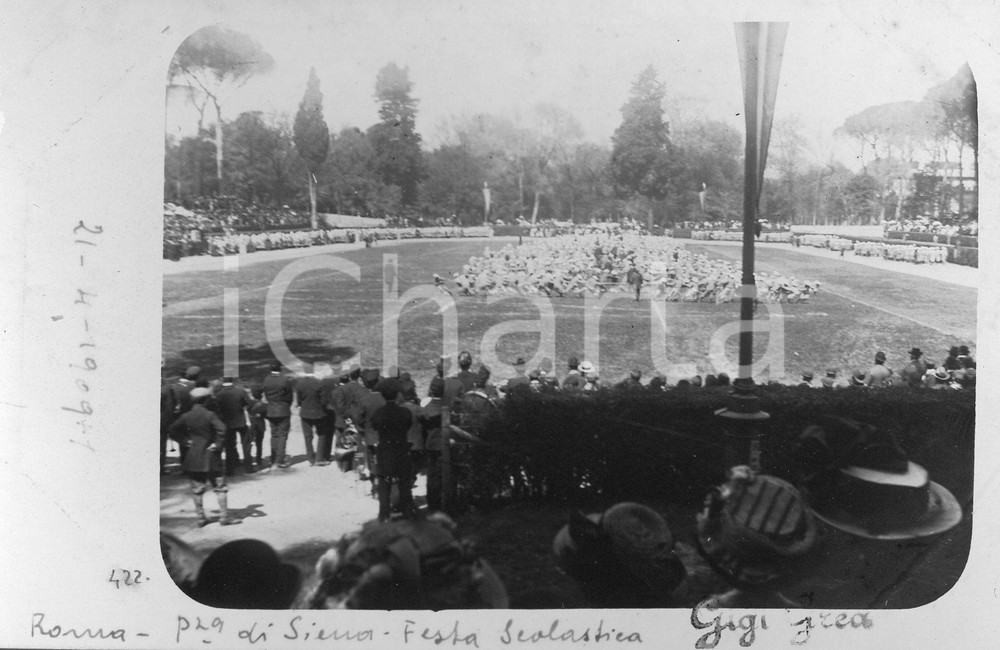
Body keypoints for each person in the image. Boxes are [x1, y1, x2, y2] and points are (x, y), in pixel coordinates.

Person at [168, 388, 241, 527]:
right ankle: (224, 517)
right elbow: (222, 429)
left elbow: (172, 429)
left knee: (197, 491)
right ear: (206, 400)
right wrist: (217, 444)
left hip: (194, 457)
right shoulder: (210, 415)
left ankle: (201, 518)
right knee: (220, 488)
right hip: (211, 457)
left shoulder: (186, 416)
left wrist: (184, 441)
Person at [370, 378, 415, 522]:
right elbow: (408, 426)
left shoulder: (378, 413)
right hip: (401, 449)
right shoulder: (405, 412)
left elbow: (375, 427)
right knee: (404, 483)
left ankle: (384, 514)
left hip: (385, 450)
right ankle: (408, 513)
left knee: (384, 484)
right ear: (397, 395)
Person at [214, 376, 251, 475]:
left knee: (229, 446)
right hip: (241, 421)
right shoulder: (240, 391)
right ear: (232, 381)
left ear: (222, 381)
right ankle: (249, 467)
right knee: (246, 444)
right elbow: (248, 403)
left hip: (227, 422)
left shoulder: (219, 394)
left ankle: (230, 469)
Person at [419, 377, 446, 511]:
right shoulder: (447, 406)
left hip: (430, 445)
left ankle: (432, 503)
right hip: (445, 445)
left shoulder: (425, 408)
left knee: (432, 475)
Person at [262, 362, 295, 468]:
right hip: (283, 408)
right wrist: (287, 405)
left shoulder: (266, 379)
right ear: (280, 368)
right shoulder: (284, 380)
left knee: (274, 434)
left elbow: (266, 395)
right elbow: (289, 395)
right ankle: (280, 459)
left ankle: (273, 457)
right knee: (282, 435)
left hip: (271, 409)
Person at [296, 363, 327, 466]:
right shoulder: (319, 383)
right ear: (313, 371)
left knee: (307, 437)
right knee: (322, 434)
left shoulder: (300, 384)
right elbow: (323, 400)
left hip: (305, 413)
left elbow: (299, 399)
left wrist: (301, 405)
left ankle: (310, 458)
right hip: (318, 412)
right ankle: (319, 458)